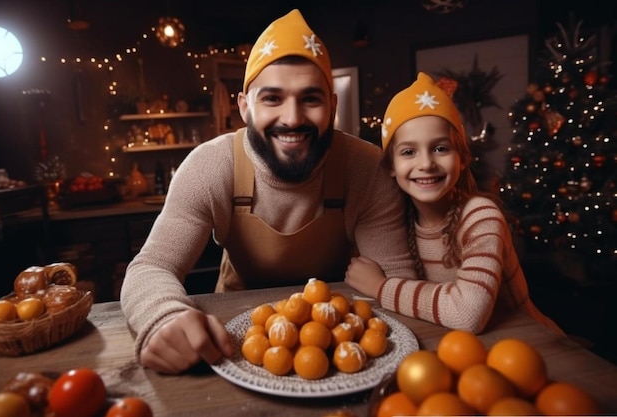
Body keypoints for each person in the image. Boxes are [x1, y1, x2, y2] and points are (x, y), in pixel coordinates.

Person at [120, 9, 413, 374]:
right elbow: (151, 266)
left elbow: (396, 282)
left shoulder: (366, 168)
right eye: (272, 98)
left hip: (336, 344)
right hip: (234, 344)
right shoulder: (210, 166)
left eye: (310, 99)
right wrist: (164, 316)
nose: (292, 118)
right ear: (245, 107)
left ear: (332, 106)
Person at [345, 72, 563, 334]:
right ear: (391, 166)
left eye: (440, 148)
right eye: (408, 152)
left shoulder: (481, 217)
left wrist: (380, 287)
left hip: (534, 347)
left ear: (462, 157)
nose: (426, 164)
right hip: (469, 354)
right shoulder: (398, 223)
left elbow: (468, 314)